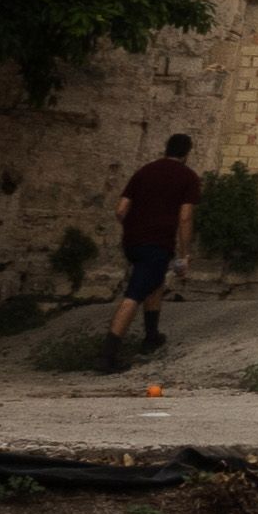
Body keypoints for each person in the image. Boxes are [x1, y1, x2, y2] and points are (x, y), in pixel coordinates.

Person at [105, 133, 201, 373]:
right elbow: (185, 217)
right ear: (187, 153)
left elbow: (120, 210)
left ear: (166, 148)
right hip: (156, 243)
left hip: (132, 242)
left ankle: (151, 335)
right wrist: (185, 253)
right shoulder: (187, 177)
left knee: (155, 283)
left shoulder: (144, 172)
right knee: (134, 295)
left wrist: (133, 227)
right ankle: (107, 355)